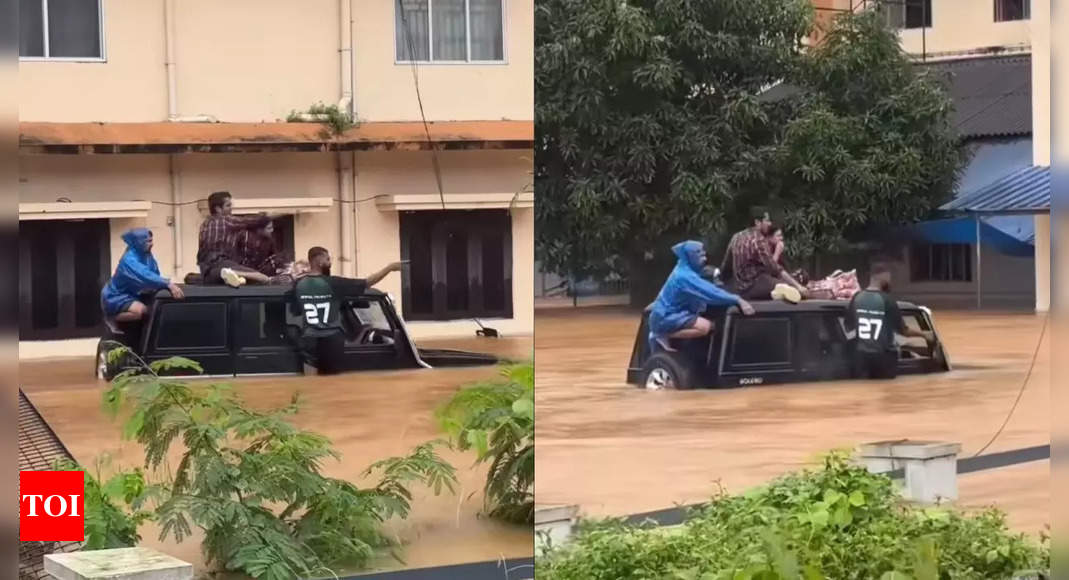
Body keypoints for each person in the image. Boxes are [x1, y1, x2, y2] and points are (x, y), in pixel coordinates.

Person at [292, 247, 406, 375]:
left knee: (310, 385)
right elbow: (367, 282)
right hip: (331, 340)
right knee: (333, 384)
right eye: (328, 259)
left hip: (309, 340)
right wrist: (389, 268)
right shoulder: (334, 283)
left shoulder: (299, 284)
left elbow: (295, 311)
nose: (330, 263)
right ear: (319, 261)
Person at [648, 240, 755, 353]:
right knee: (705, 327)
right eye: (698, 253)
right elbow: (710, 293)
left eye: (703, 252)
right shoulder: (684, 276)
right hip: (666, 317)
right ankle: (662, 335)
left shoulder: (685, 267)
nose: (703, 256)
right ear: (690, 256)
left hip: (673, 313)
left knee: (713, 326)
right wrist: (737, 299)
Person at [846, 262, 934, 380]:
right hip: (883, 359)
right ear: (883, 276)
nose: (890, 281)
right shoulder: (887, 300)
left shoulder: (857, 297)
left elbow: (849, 328)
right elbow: (903, 331)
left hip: (860, 359)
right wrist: (924, 335)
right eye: (889, 277)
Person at [101, 228, 185, 333]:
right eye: (148, 241)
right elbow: (145, 275)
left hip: (134, 294)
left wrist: (163, 285)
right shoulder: (128, 260)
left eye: (151, 240)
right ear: (139, 242)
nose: (152, 244)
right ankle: (112, 318)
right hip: (116, 296)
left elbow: (155, 274)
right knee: (142, 311)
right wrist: (168, 284)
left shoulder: (146, 255)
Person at [722, 208, 808, 303]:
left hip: (740, 288)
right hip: (756, 286)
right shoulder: (758, 240)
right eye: (766, 220)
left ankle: (780, 289)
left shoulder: (736, 237)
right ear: (757, 222)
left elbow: (726, 266)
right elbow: (774, 268)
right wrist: (798, 286)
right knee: (794, 289)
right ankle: (783, 289)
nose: (769, 224)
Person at [197, 191, 274, 288]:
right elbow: (251, 221)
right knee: (263, 278)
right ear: (218, 209)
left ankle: (229, 275)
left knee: (236, 281)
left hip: (206, 270)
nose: (231, 208)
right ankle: (234, 272)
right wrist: (268, 216)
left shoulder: (205, 224)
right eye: (228, 205)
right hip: (221, 262)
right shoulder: (226, 220)